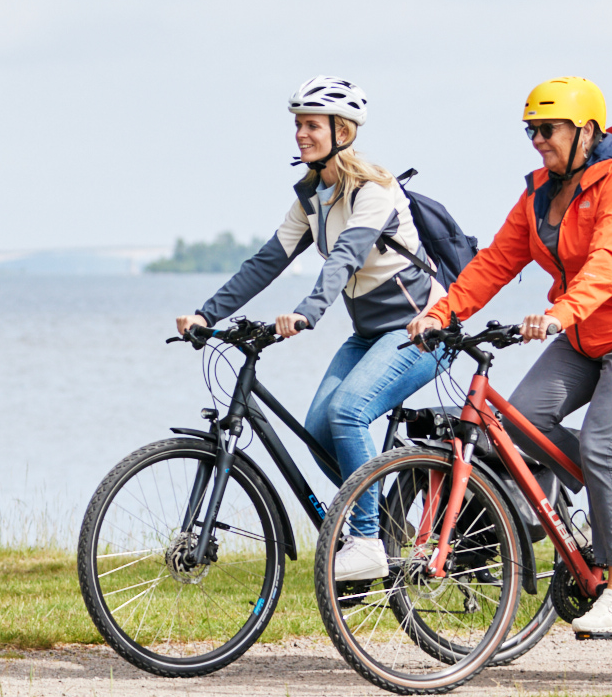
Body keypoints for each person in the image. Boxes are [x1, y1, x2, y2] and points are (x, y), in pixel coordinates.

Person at [409, 76, 612, 639]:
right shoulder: (540, 192)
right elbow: (494, 262)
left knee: (601, 440)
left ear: (586, 130)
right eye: (530, 130)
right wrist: (443, 311)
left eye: (548, 129)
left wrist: (562, 312)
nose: (537, 139)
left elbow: (609, 262)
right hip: (585, 334)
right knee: (518, 426)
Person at [177, 75, 442, 581]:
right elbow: (265, 262)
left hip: (418, 331)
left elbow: (343, 259)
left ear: (342, 130)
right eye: (298, 124)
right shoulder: (311, 198)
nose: (301, 134)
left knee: (347, 413)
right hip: (369, 334)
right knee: (319, 429)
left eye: (312, 125)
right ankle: (383, 524)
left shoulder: (374, 192)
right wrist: (208, 313)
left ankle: (365, 539)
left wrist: (307, 312)